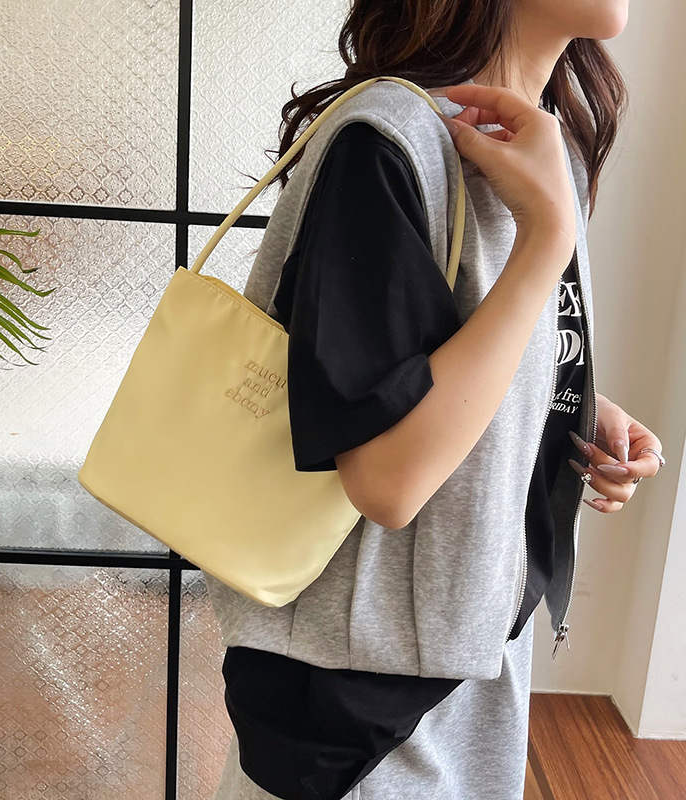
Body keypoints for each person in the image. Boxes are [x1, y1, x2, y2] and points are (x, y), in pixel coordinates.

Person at [205, 1, 666, 799]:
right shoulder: (388, 141)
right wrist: (546, 238)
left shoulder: (543, 145)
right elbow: (387, 480)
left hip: (467, 657)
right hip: (360, 715)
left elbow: (451, 352)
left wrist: (573, 404)